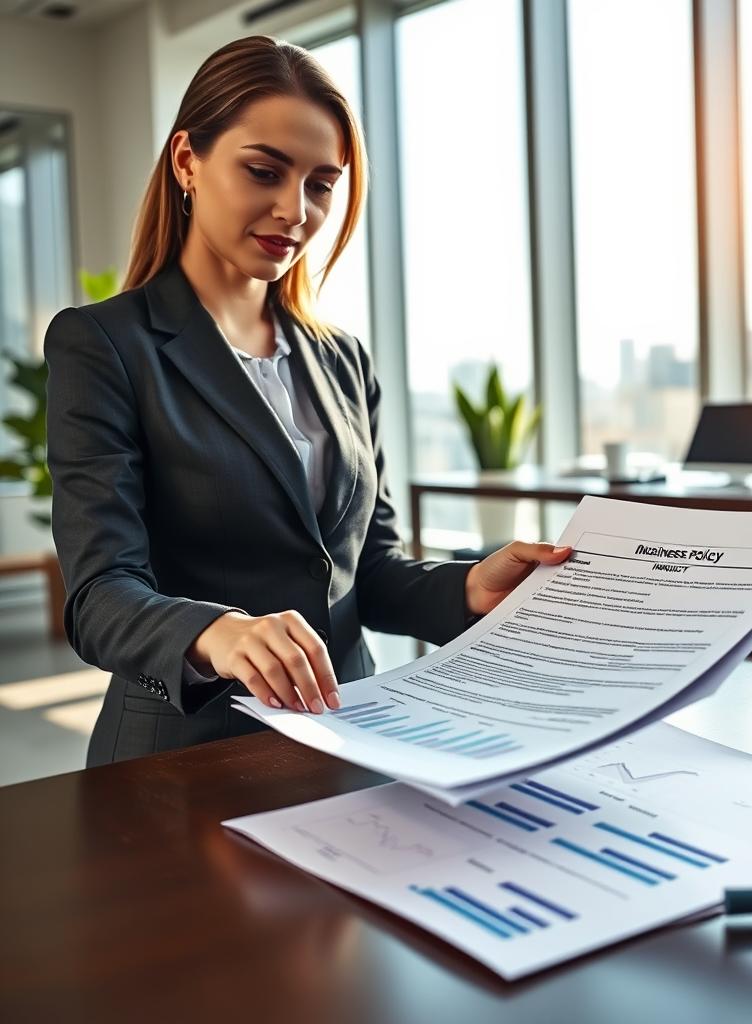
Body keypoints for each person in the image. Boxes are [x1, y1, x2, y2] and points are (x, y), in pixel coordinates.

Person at [44, 35, 571, 767]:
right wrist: (218, 631)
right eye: (264, 171)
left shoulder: (341, 359)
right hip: (185, 757)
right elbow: (100, 595)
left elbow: (368, 572)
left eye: (321, 185)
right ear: (187, 162)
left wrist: (470, 587)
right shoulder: (104, 344)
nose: (295, 211)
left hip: (352, 738)